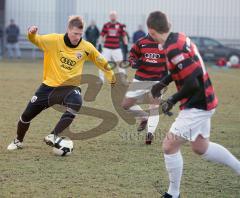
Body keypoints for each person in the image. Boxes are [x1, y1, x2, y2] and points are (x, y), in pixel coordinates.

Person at [148, 11, 240, 198]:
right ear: (168, 24)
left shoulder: (173, 48)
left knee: (168, 145)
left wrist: (172, 100)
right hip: (205, 98)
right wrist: (163, 83)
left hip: (198, 103)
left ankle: (173, 194)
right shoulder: (179, 38)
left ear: (151, 31)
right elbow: (186, 70)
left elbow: (192, 82)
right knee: (201, 147)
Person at [7, 15, 116, 150]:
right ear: (68, 30)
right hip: (48, 87)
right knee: (26, 116)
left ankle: (53, 135)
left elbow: (102, 62)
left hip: (70, 87)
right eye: (75, 33)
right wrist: (31, 32)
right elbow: (36, 39)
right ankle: (18, 140)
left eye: (80, 34)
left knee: (77, 102)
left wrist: (112, 77)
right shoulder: (53, 40)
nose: (77, 37)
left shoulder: (87, 47)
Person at [121, 34, 167, 144]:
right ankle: (144, 117)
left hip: (158, 81)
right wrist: (134, 62)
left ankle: (149, 134)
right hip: (140, 79)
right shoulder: (141, 42)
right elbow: (132, 56)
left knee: (154, 107)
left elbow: (170, 63)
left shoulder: (166, 43)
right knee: (126, 105)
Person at [99, 10, 128, 84]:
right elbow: (102, 35)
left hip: (116, 49)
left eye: (114, 15)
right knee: (102, 63)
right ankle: (101, 79)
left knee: (120, 64)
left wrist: (126, 43)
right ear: (109, 17)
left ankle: (123, 79)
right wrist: (100, 43)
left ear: (116, 16)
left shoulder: (120, 25)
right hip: (107, 48)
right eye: (111, 15)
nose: (113, 17)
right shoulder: (106, 25)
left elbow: (124, 35)